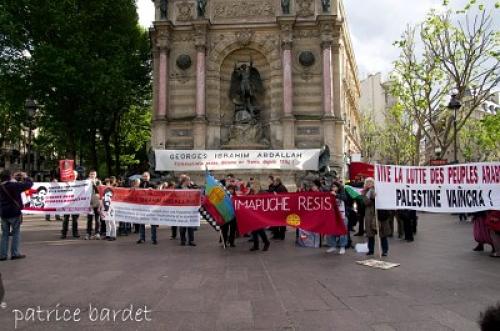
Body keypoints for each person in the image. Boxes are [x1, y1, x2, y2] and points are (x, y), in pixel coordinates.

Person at [0, 170, 33, 261]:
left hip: (3, 213)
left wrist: (13, 178)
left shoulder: (1, 186)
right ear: (10, 177)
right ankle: (15, 253)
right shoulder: (14, 186)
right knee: (16, 233)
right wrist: (25, 176)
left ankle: (2, 255)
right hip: (14, 212)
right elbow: (29, 184)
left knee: (4, 234)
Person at [362, 177, 391, 256]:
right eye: (367, 182)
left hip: (379, 214)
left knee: (382, 234)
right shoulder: (364, 192)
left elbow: (383, 199)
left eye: (371, 182)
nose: (369, 184)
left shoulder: (379, 190)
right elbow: (365, 202)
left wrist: (377, 197)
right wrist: (372, 197)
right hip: (369, 215)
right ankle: (371, 250)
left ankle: (385, 250)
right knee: (370, 234)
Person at [326, 182, 348, 254]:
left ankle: (342, 247)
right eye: (332, 186)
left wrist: (336, 195)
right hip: (332, 216)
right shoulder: (330, 194)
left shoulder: (342, 193)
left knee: (342, 231)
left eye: (335, 186)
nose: (333, 188)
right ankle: (333, 246)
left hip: (342, 215)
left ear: (338, 187)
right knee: (330, 231)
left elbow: (345, 198)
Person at [249, 180, 270, 252]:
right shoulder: (251, 193)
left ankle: (266, 242)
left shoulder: (263, 193)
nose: (254, 187)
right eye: (253, 186)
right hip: (253, 214)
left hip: (260, 214)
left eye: (256, 186)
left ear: (259, 186)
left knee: (260, 229)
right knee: (254, 230)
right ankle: (256, 245)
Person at [137, 173, 158, 245]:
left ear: (149, 177)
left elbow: (158, 194)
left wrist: (153, 190)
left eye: (146, 176)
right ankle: (142, 238)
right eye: (144, 176)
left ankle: (154, 239)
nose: (145, 177)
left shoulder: (153, 184)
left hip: (151, 207)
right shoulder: (140, 184)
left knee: (153, 223)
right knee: (141, 223)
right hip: (142, 207)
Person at [61, 171, 81, 239]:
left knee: (75, 219)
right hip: (67, 204)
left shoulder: (80, 183)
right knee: (66, 219)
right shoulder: (66, 182)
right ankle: (64, 233)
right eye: (73, 175)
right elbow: (61, 192)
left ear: (77, 176)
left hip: (76, 204)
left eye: (75, 175)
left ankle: (75, 233)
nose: (74, 176)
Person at [177, 175, 196, 246]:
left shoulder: (191, 187)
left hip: (190, 210)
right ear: (185, 181)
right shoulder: (178, 188)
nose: (189, 182)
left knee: (190, 226)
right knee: (182, 226)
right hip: (181, 210)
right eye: (188, 180)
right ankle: (183, 240)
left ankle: (191, 241)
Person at [86, 170, 102, 240]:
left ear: (96, 175)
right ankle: (88, 233)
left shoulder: (98, 182)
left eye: (94, 174)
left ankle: (97, 233)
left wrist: (94, 184)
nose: (92, 175)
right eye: (91, 174)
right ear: (89, 175)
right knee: (89, 218)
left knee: (97, 218)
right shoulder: (86, 182)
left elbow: (100, 191)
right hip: (89, 202)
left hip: (96, 202)